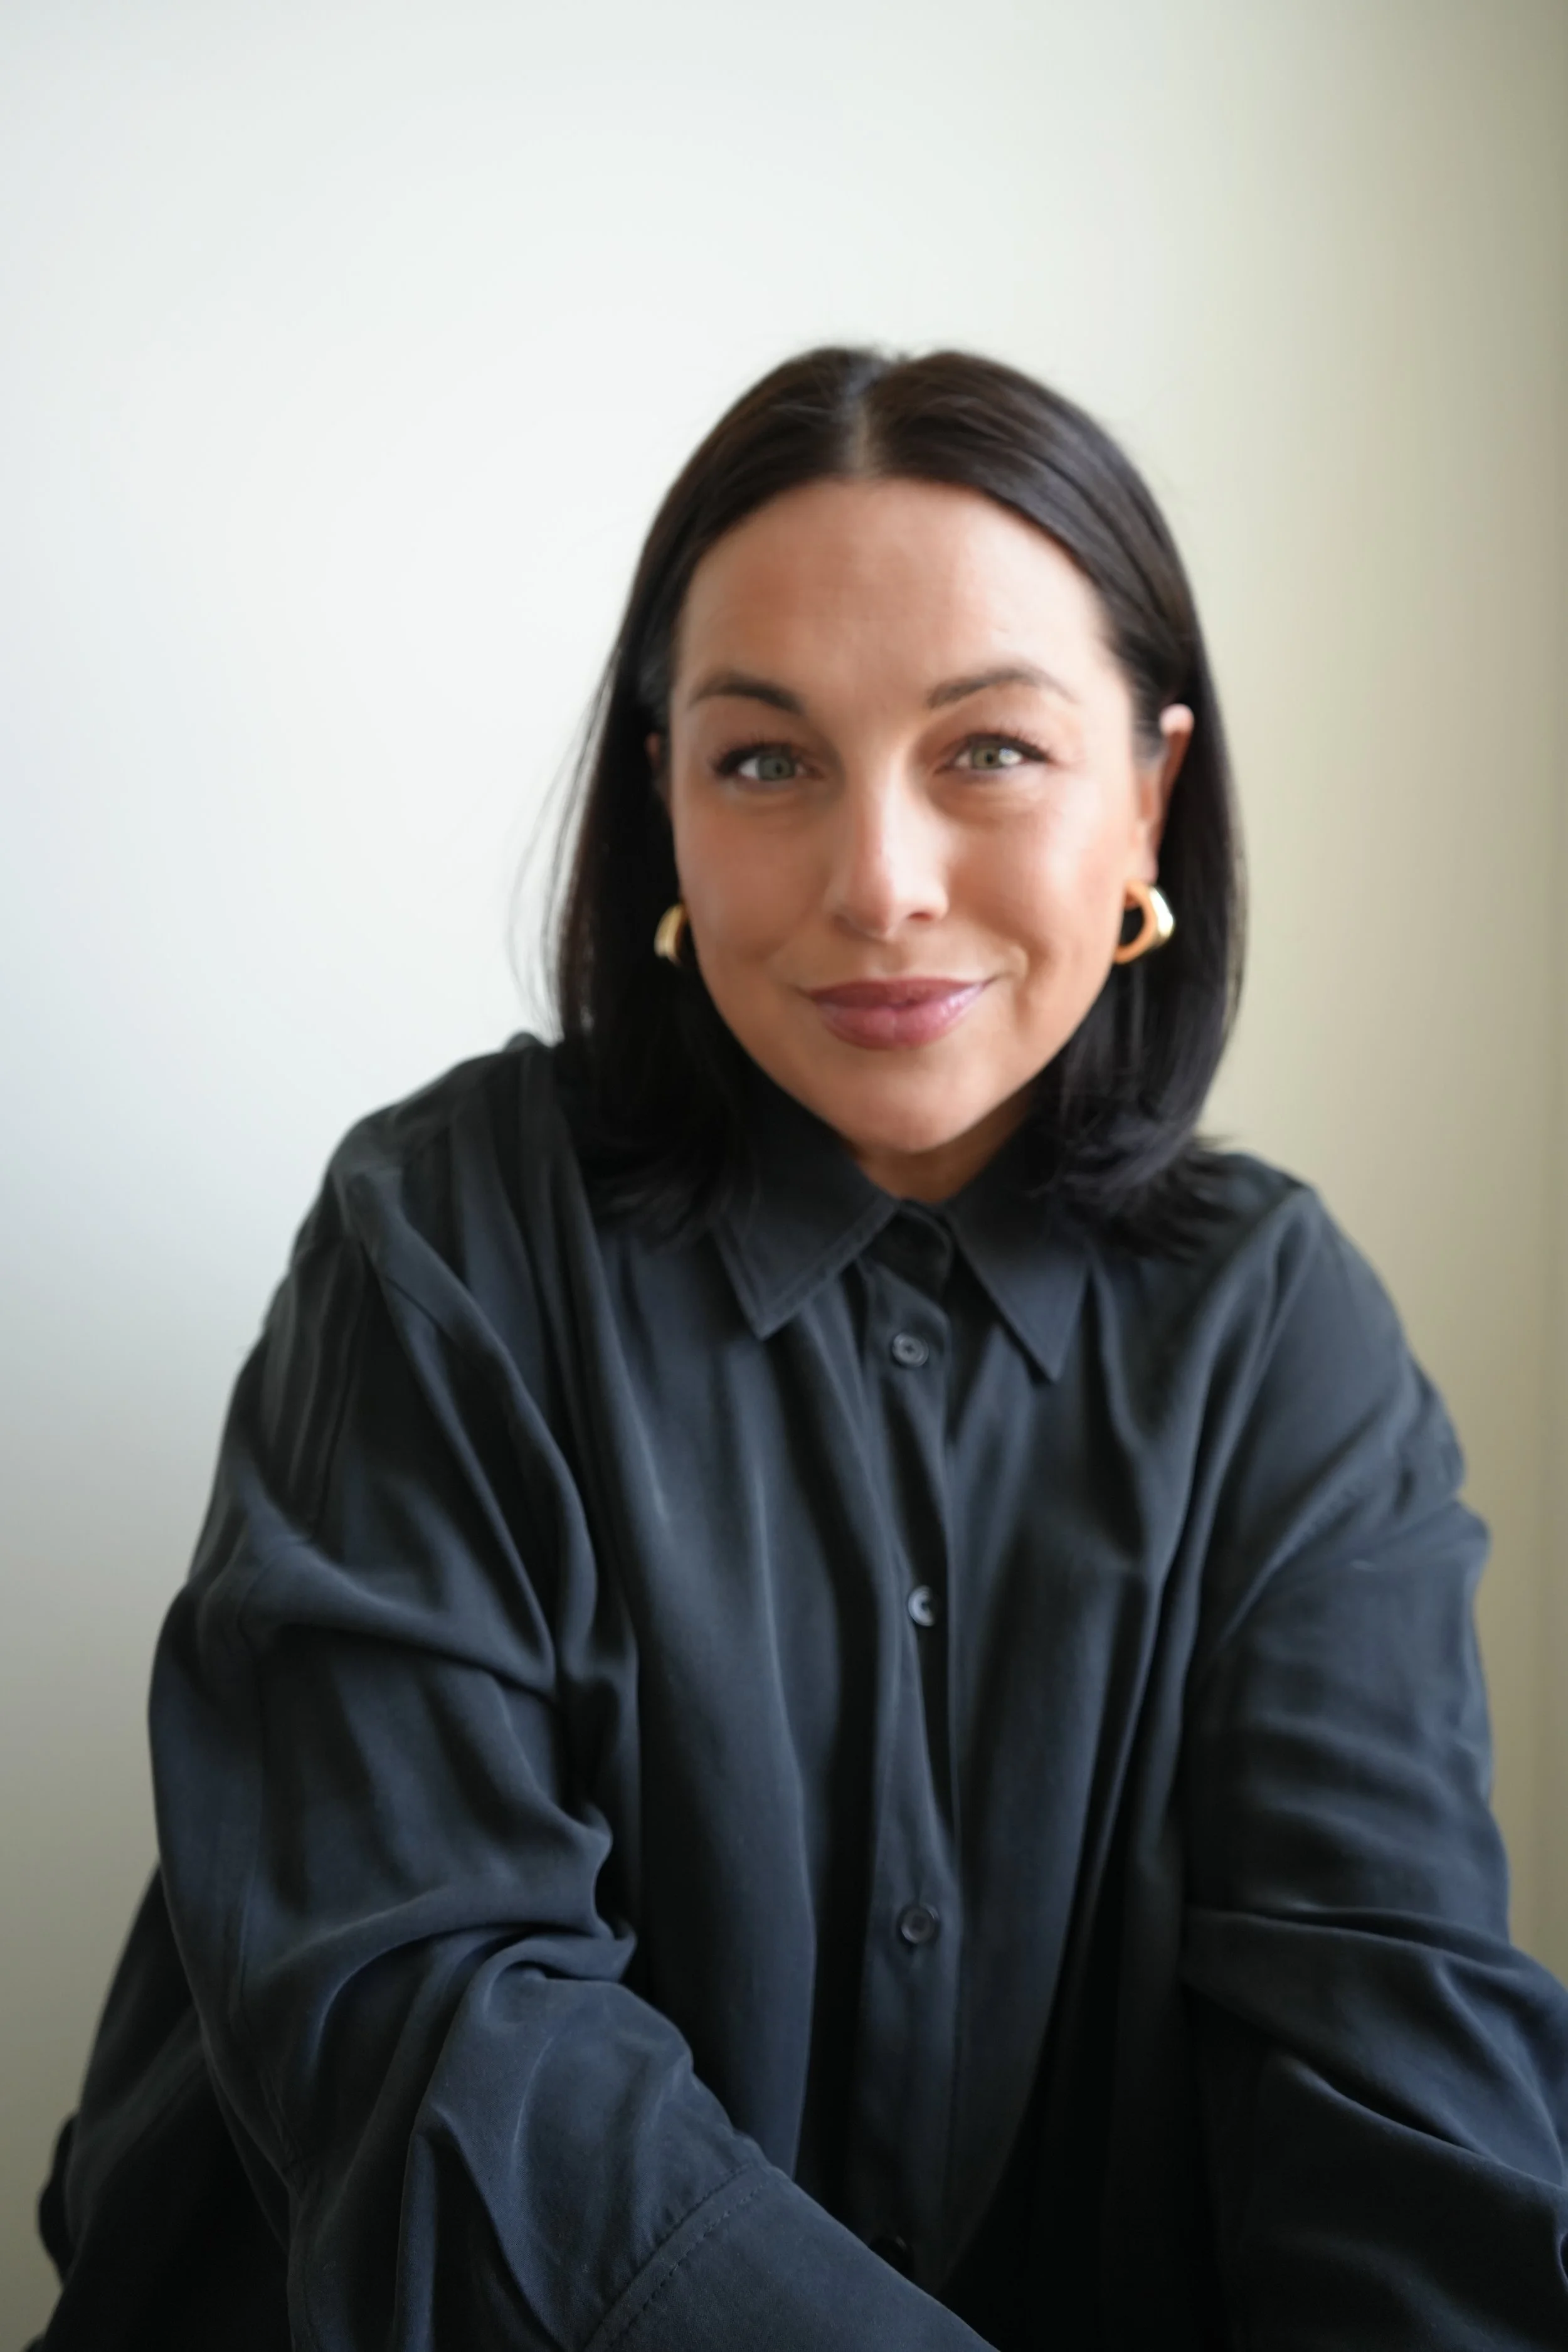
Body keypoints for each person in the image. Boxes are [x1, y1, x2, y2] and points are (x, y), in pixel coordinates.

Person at [32, 346, 1568, 2351]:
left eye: (989, 750)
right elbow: (428, 2025)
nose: (878, 885)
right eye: (764, 760)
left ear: (1148, 797)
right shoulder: (444, 1237)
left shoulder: (1279, 1331)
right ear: (659, 800)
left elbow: (1388, 2072)